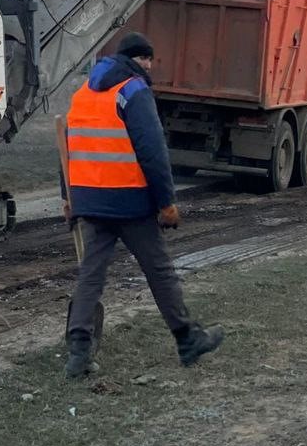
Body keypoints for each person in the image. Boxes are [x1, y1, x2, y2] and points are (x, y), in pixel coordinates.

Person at [63, 32, 224, 378]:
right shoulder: (133, 90)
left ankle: (78, 350)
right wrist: (166, 202)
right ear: (141, 59)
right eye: (149, 59)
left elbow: (67, 145)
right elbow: (153, 150)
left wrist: (69, 196)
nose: (151, 66)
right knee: (159, 270)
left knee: (91, 274)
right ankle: (187, 339)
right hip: (129, 200)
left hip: (90, 198)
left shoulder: (83, 93)